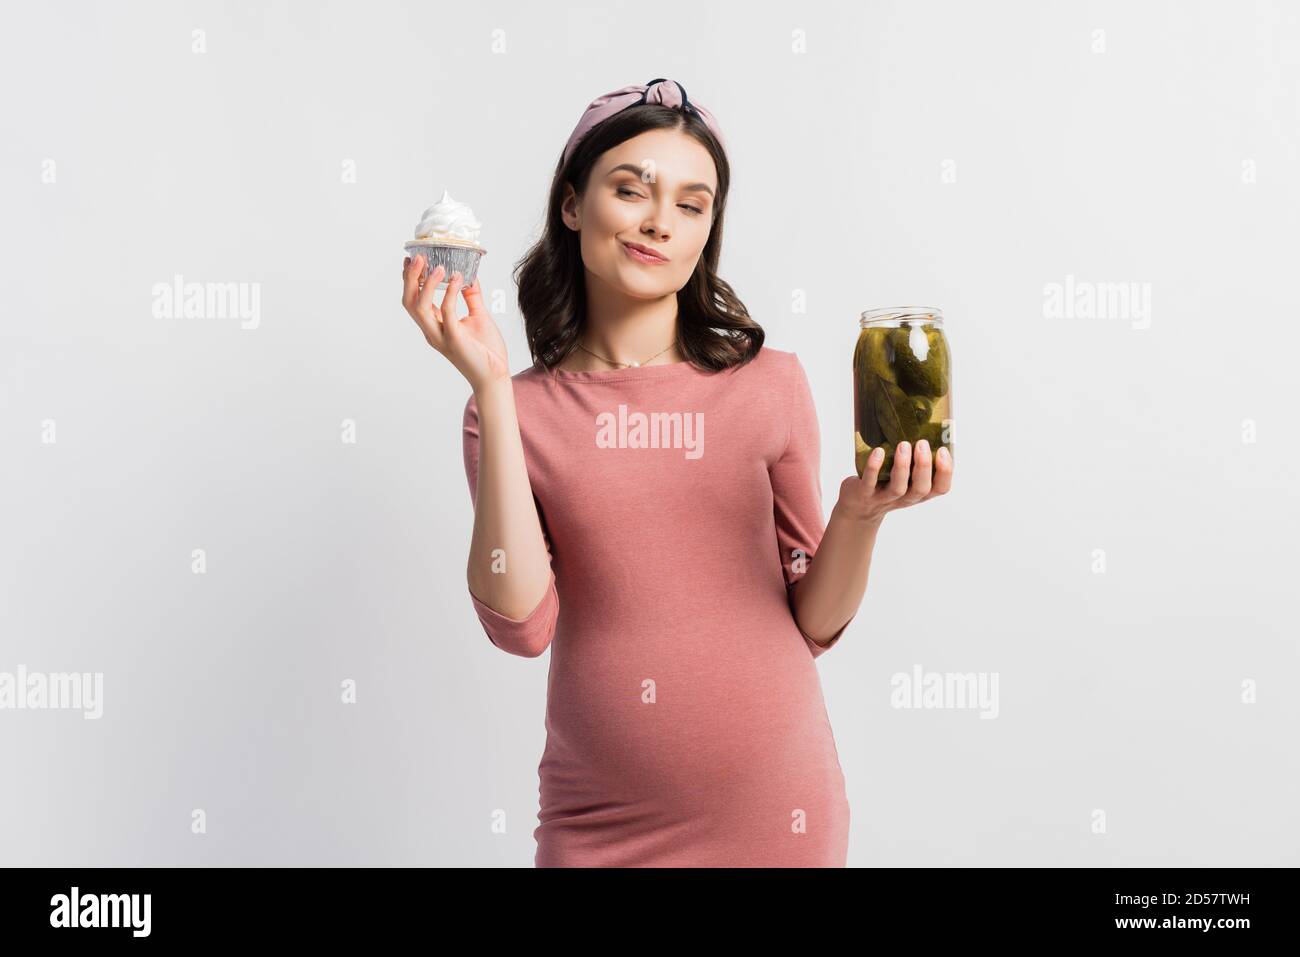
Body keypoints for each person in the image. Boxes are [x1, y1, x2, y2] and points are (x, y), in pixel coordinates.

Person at [399, 78, 954, 867]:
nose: (661, 220)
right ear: (571, 204)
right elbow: (521, 626)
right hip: (597, 825)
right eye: (632, 190)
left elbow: (813, 622)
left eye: (693, 205)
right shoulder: (514, 412)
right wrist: (490, 386)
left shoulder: (772, 385)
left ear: (707, 232)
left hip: (779, 819)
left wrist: (859, 515)